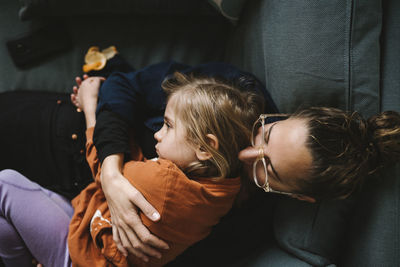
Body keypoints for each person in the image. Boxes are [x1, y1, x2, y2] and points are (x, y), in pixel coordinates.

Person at [0, 69, 264, 266]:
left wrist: (91, 106)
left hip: (81, 255)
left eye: (168, 126)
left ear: (206, 148)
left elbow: (102, 166)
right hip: (90, 228)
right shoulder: (227, 188)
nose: (158, 135)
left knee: (5, 183)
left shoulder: (162, 185)